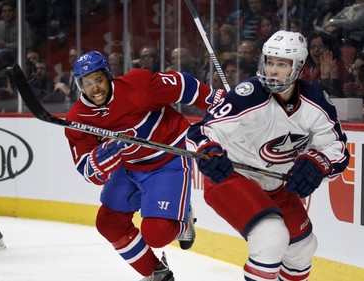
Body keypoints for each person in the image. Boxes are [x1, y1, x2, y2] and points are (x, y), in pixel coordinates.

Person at [186, 30, 349, 281]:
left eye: (282, 64)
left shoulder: (316, 101)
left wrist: (317, 164)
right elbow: (201, 131)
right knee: (272, 236)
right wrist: (209, 151)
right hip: (234, 178)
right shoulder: (249, 93)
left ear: (299, 67)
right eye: (270, 62)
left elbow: (337, 149)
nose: (273, 70)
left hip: (277, 185)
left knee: (302, 249)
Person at [64, 51, 218, 281]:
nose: (95, 88)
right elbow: (89, 172)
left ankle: (182, 217)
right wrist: (102, 158)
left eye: (98, 80)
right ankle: (156, 273)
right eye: (87, 83)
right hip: (130, 167)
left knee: (156, 235)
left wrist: (217, 101)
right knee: (109, 223)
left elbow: (182, 85)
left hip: (169, 158)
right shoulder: (78, 119)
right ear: (80, 86)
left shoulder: (138, 85)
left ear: (108, 76)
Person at [0, 0, 32, 71]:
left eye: (9, 11)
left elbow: (28, 43)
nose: (7, 13)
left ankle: (4, 74)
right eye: (4, 11)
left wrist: (6, 45)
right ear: (1, 13)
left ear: (14, 12)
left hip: (16, 53)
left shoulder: (22, 24)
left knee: (1, 53)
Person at [54, 47, 80, 111]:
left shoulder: (86, 77)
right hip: (64, 112)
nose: (73, 59)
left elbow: (83, 99)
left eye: (76, 56)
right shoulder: (65, 77)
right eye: (71, 56)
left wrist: (68, 91)